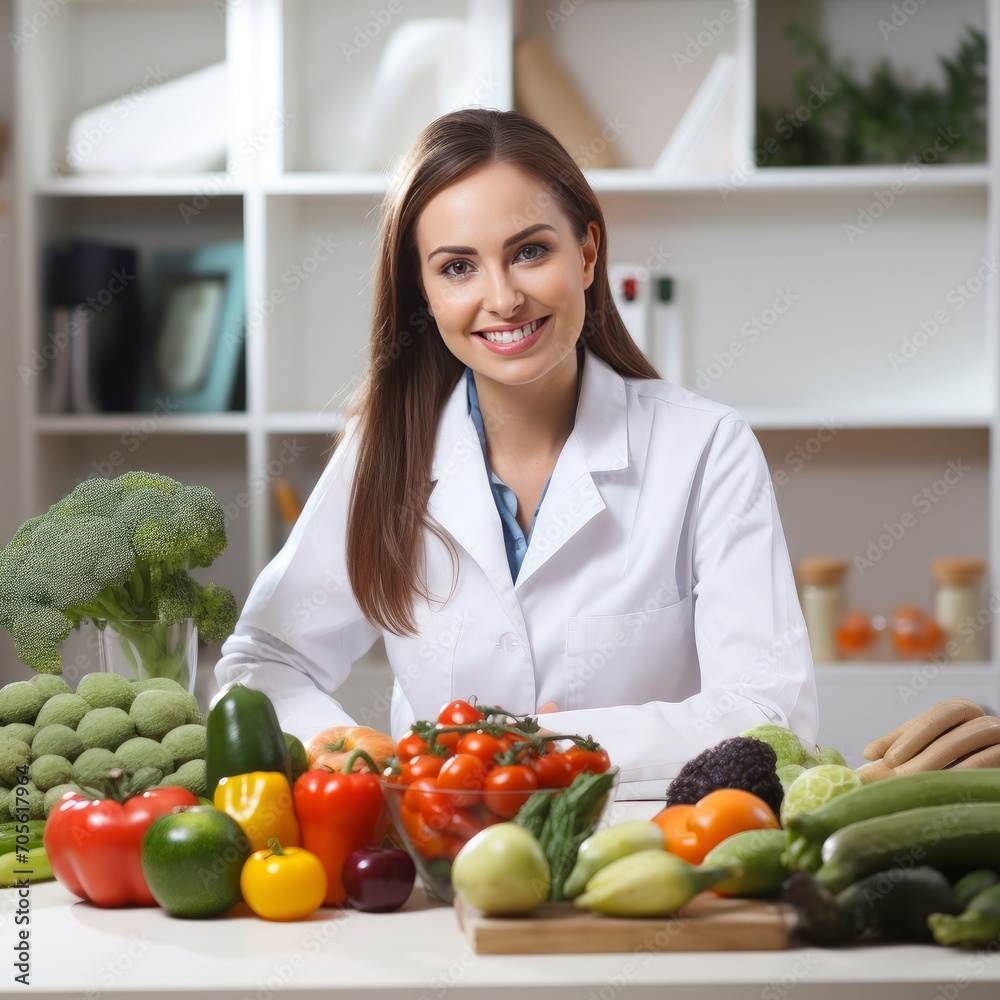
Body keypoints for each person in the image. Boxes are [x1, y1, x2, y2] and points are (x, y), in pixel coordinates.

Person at [214, 107, 818, 799]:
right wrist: (357, 756)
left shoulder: (705, 447)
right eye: (458, 267)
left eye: (530, 251)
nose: (501, 298)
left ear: (587, 253)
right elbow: (265, 662)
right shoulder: (383, 453)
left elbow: (772, 717)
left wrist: (538, 749)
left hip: (643, 860)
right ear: (425, 292)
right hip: (444, 864)